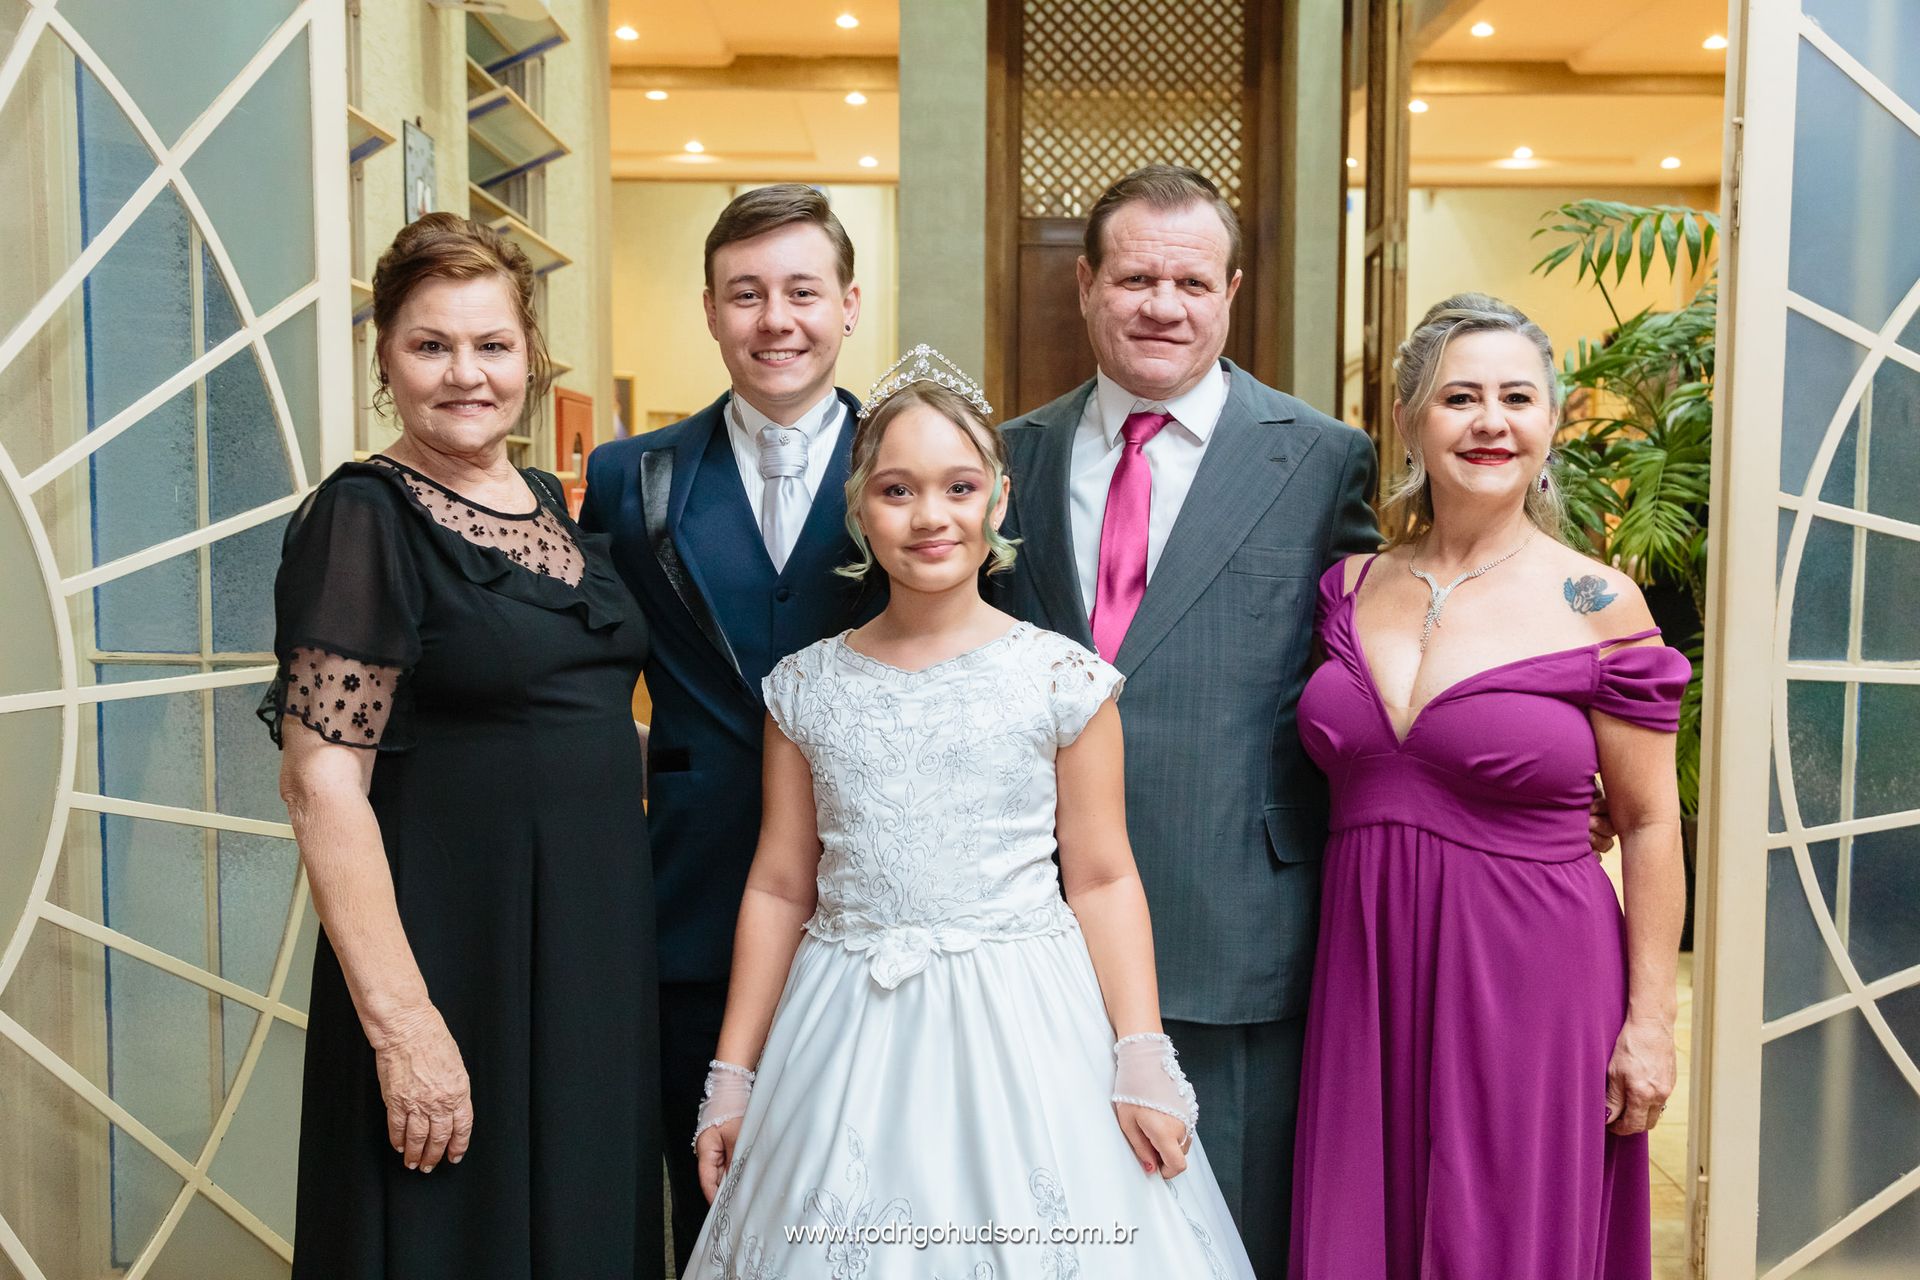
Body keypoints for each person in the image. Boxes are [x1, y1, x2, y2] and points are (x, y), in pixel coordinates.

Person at [682, 357, 1257, 1278]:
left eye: (959, 487)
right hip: (843, 1022)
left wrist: (1142, 1051)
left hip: (1026, 1017)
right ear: (861, 507)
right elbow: (780, 884)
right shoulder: (806, 688)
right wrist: (732, 1075)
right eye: (898, 490)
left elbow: (1104, 876)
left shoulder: (1061, 680)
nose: (930, 516)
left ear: (998, 499)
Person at [992, 164, 1379, 1274]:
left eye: (1192, 281)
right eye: (1137, 277)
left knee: (1225, 1231)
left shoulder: (1318, 458)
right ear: (1085, 286)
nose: (1164, 303)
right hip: (1032, 923)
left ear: (1233, 291)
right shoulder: (1003, 459)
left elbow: (1367, 661)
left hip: (1233, 918)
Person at [260, 213, 660, 1277]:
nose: (465, 374)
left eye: (492, 345)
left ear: (531, 353)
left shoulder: (542, 502)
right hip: (452, 953)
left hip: (588, 948)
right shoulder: (364, 515)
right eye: (430, 345)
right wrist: (403, 1024)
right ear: (384, 357)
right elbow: (320, 781)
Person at [1289, 294, 1686, 1278]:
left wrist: (1650, 1023)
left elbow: (1646, 821)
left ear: (1550, 421)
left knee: (1502, 1234)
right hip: (1366, 966)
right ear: (1414, 421)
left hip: (1534, 976)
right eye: (1460, 396)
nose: (1490, 420)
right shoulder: (1347, 586)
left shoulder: (1596, 600)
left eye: (1518, 397)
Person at [578, 183, 879, 1270]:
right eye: (745, 294)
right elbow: (588, 679)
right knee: (712, 1193)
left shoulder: (922, 469)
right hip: (694, 899)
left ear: (850, 302)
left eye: (802, 290)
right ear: (708, 309)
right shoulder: (630, 476)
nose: (775, 319)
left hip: (878, 896)